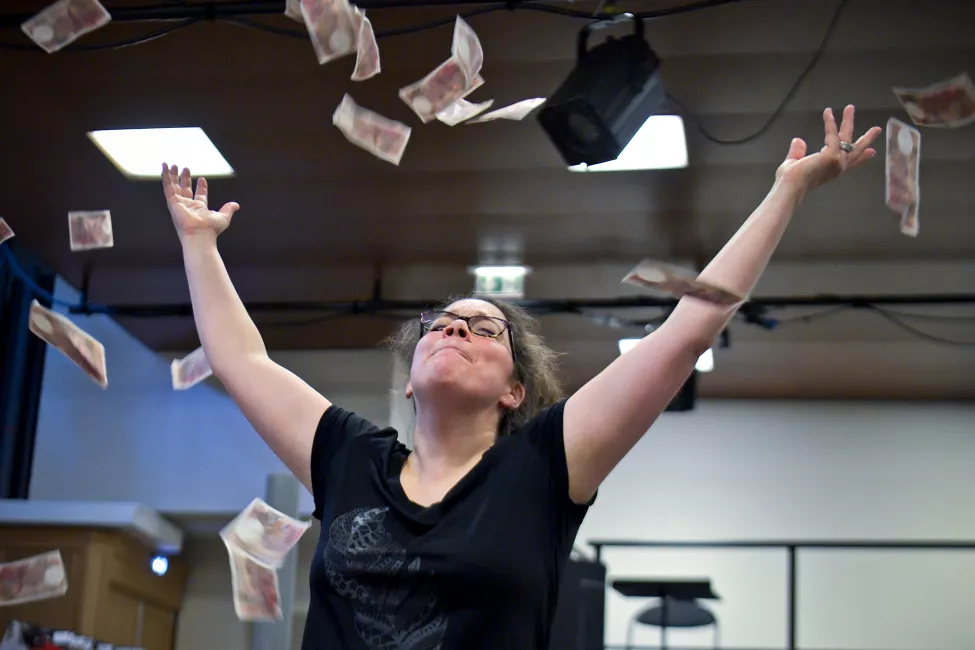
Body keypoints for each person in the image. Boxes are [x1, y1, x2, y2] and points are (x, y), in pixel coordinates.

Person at [161, 105, 880, 649]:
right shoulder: (349, 457)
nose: (451, 331)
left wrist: (787, 189)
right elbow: (242, 359)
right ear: (409, 379)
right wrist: (198, 243)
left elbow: (688, 325)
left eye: (481, 329)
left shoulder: (543, 466)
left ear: (515, 389)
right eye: (438, 324)